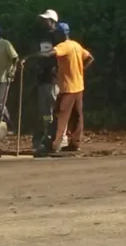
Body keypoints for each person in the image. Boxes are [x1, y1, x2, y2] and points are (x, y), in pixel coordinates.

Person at [25, 24, 94, 155]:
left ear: (61, 34)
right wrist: (81, 70)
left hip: (67, 88)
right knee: (77, 116)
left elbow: (48, 54)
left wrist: (29, 57)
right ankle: (75, 143)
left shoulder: (63, 46)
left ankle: (52, 145)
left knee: (59, 115)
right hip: (79, 86)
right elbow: (90, 58)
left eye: (57, 33)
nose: (55, 35)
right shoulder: (76, 45)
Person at [32, 10, 62, 154]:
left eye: (47, 20)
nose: (44, 22)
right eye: (44, 19)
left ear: (53, 21)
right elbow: (39, 53)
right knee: (44, 112)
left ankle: (58, 139)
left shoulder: (58, 36)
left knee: (55, 109)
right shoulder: (42, 36)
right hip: (42, 78)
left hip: (53, 78)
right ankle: (44, 139)